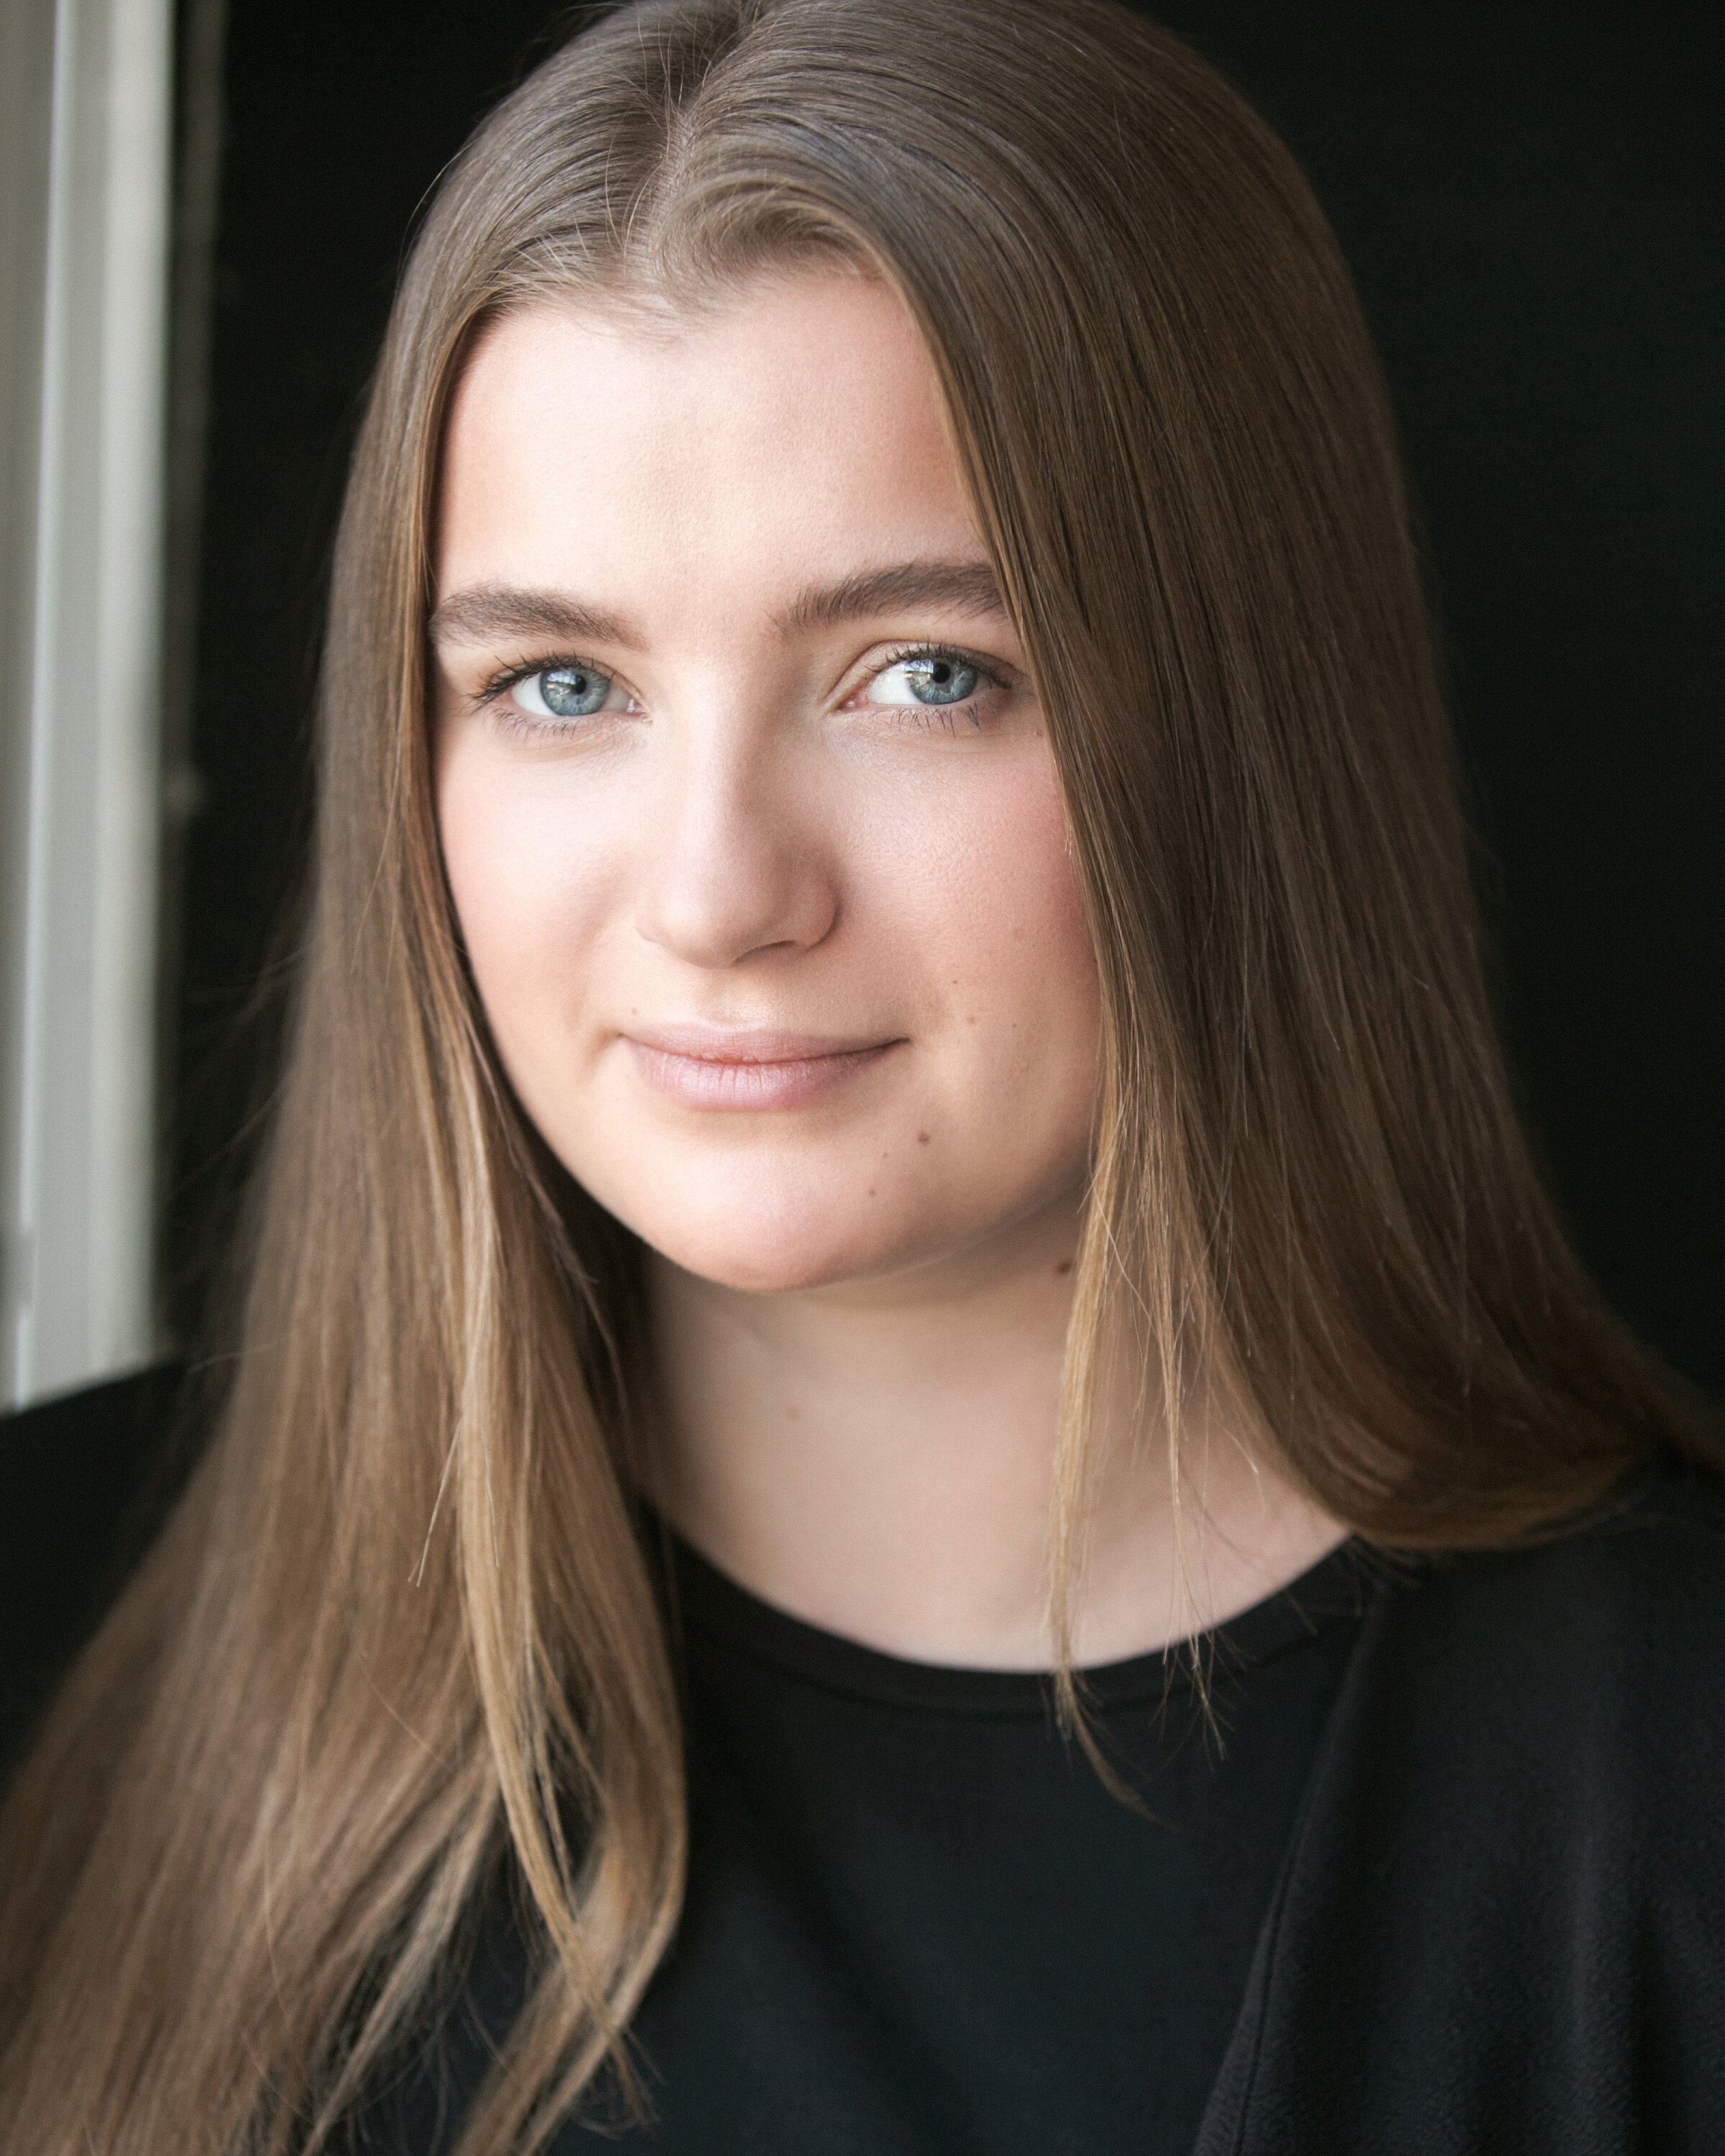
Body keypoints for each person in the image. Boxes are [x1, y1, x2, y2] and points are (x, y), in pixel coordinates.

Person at [1, 0, 1720, 2149]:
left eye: (924, 674)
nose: (718, 894)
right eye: (559, 684)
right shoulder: (42, 1626)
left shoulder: (1669, 1801)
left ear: (1249, 737)